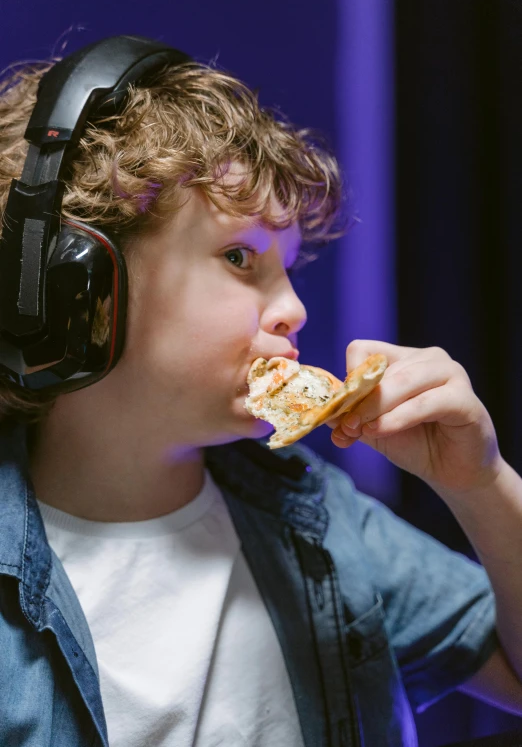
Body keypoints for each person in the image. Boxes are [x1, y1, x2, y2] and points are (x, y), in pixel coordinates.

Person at [1, 39, 522, 747]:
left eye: (288, 264)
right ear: (80, 288)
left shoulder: (323, 524)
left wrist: (481, 483)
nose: (295, 309)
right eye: (240, 256)